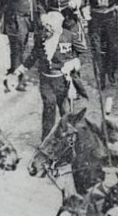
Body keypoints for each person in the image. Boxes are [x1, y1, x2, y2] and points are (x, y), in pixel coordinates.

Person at [22, 9, 90, 141]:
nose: (47, 29)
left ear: (58, 26)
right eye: (46, 26)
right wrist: (22, 68)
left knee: (66, 111)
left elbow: (84, 53)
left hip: (63, 81)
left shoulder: (69, 36)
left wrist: (74, 63)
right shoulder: (40, 37)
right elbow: (34, 55)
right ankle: (46, 140)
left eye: (50, 27)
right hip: (46, 80)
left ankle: (69, 140)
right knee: (49, 107)